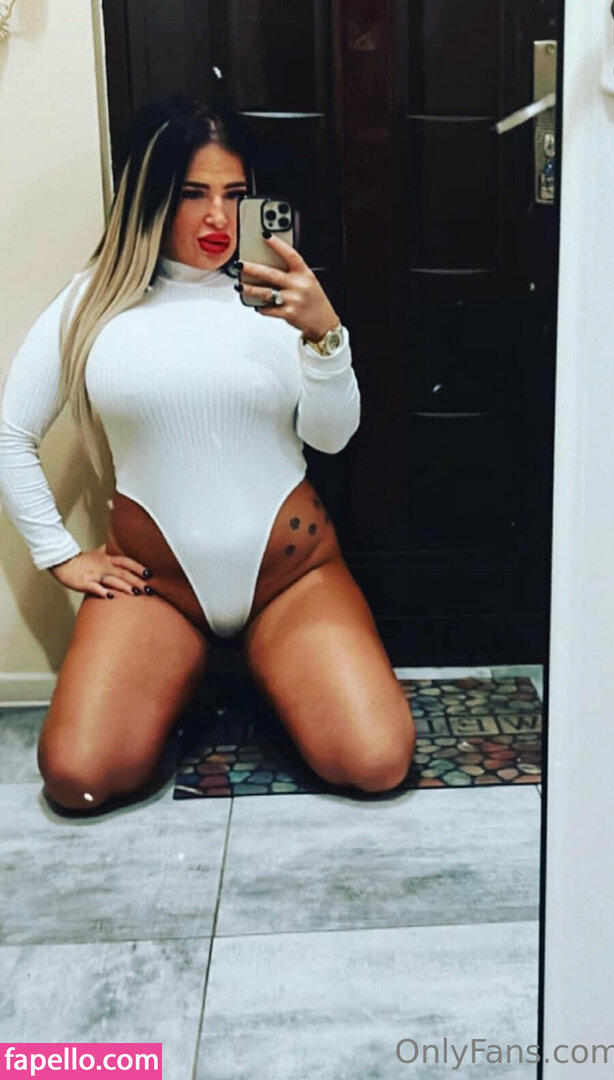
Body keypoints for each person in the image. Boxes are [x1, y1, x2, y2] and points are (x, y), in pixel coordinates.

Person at [0, 95, 416, 815]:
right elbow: (11, 433)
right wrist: (60, 555)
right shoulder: (91, 304)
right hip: (156, 590)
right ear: (151, 195)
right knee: (77, 778)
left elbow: (331, 437)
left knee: (376, 762)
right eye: (193, 193)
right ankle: (193, 680)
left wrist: (325, 338)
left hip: (291, 580)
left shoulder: (279, 297)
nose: (218, 217)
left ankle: (269, 671)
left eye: (234, 193)